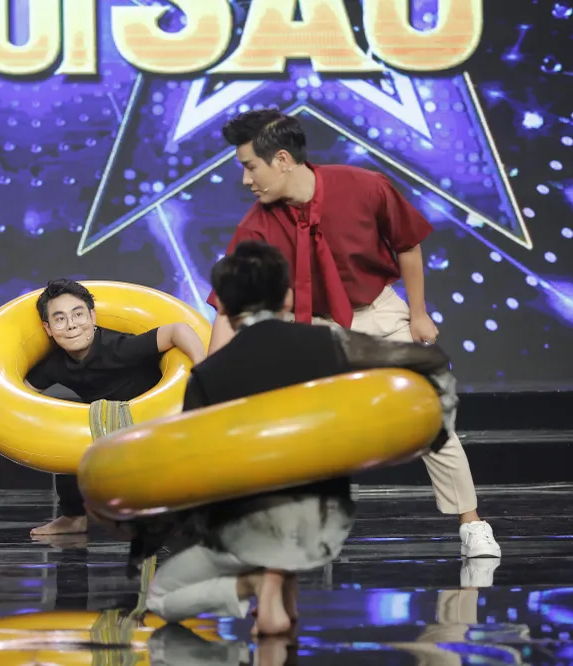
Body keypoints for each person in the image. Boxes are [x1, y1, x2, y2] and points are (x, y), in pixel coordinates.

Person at [88, 240, 462, 636]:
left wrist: (145, 528)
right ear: (287, 297)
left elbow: (195, 472)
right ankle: (280, 580)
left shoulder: (208, 376)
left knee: (162, 596)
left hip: (247, 533)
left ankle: (255, 583)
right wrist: (437, 426)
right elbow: (428, 359)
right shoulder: (326, 343)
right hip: (324, 524)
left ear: (224, 308)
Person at [207, 109, 500, 560]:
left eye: (250, 167)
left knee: (430, 414)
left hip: (378, 310)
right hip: (312, 325)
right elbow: (229, 306)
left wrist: (418, 313)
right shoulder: (256, 227)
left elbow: (407, 245)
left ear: (282, 159)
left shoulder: (365, 187)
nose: (247, 180)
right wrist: (210, 377)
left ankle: (471, 522)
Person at [0, 278, 206, 536]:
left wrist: (202, 368)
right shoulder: (56, 364)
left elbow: (178, 330)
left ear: (93, 317)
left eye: (78, 314)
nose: (72, 325)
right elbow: (12, 394)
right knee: (66, 431)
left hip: (157, 421)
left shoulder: (118, 346)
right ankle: (73, 518)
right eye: (60, 319)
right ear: (48, 328)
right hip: (103, 429)